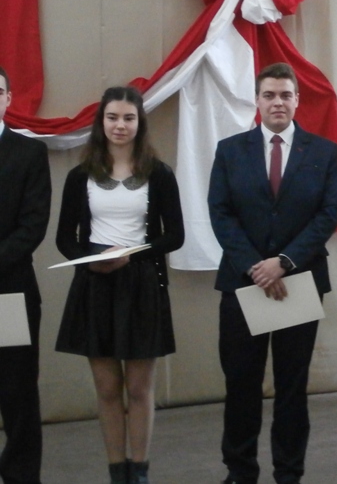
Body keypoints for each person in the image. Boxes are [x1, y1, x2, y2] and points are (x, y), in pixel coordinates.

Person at [208, 62, 337, 484]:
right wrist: (256, 266)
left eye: (285, 95)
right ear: (257, 100)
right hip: (243, 283)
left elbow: (327, 214)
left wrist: (283, 262)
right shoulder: (230, 150)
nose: (277, 102)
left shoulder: (323, 152)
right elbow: (220, 212)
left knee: (291, 387)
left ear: (297, 100)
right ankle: (240, 470)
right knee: (241, 384)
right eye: (269, 95)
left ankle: (288, 472)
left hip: (298, 282)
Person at [55, 86, 184, 484]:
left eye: (128, 118)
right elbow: (65, 238)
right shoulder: (80, 176)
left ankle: (139, 470)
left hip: (142, 283)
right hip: (96, 284)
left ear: (139, 123)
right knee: (108, 388)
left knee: (139, 388)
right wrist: (91, 259)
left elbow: (175, 236)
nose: (120, 125)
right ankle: (117, 471)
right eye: (112, 117)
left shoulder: (159, 174)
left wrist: (132, 255)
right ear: (101, 122)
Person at [0, 66, 51, 484]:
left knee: (16, 389)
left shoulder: (28, 153)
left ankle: (20, 475)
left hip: (9, 293)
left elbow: (33, 226)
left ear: (7, 98)